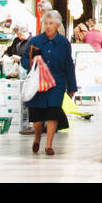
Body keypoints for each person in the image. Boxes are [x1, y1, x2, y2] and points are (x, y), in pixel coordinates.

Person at [22, 10, 76, 155]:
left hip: (56, 83)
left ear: (58, 25)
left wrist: (72, 86)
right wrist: (32, 62)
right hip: (38, 83)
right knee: (37, 115)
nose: (48, 26)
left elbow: (68, 64)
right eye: (46, 23)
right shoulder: (35, 41)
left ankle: (49, 145)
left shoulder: (64, 43)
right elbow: (24, 59)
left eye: (51, 23)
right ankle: (37, 136)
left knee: (53, 112)